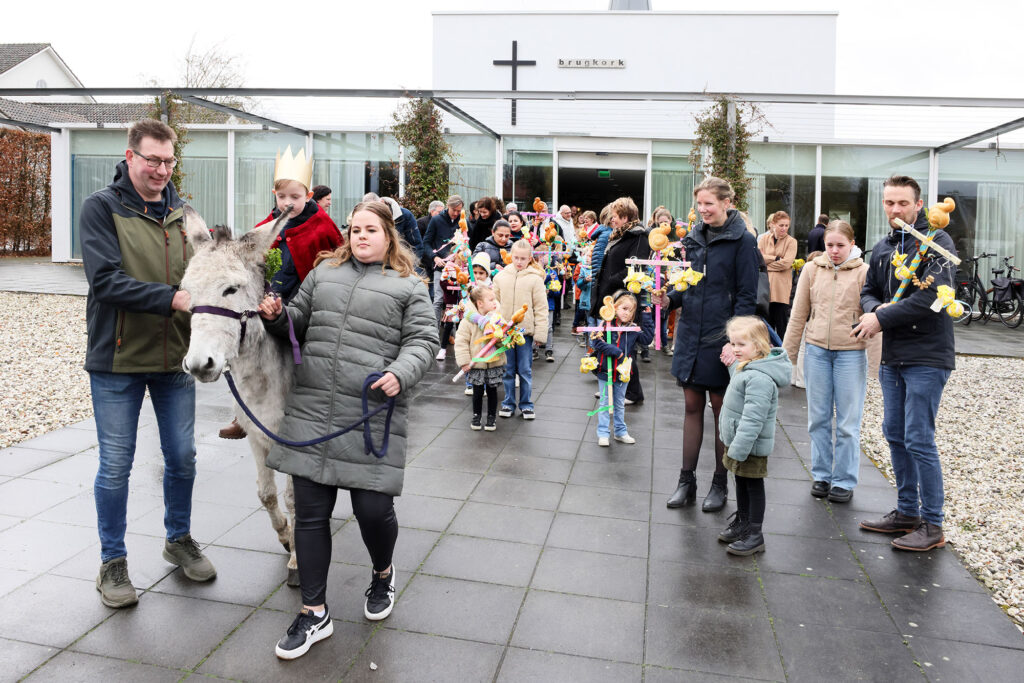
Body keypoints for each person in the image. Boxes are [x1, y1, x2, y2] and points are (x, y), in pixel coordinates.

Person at [258, 200, 436, 660]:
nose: (360, 236)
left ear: (389, 235)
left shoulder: (409, 286)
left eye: (370, 230)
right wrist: (278, 317)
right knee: (311, 516)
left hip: (370, 414)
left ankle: (382, 573)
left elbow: (424, 341)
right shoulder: (323, 274)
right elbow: (297, 321)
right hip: (314, 410)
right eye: (354, 229)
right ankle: (314, 612)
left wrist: (402, 370)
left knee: (373, 512)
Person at [79, 119, 216, 608]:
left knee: (182, 457)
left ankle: (178, 539)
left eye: (168, 161)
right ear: (131, 155)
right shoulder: (101, 208)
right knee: (116, 465)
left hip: (175, 361)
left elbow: (205, 274)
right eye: (152, 160)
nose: (161, 170)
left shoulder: (185, 213)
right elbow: (106, 282)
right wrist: (174, 299)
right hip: (117, 360)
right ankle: (112, 563)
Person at [855, 175, 957, 552]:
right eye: (888, 203)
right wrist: (872, 309)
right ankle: (906, 511)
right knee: (894, 433)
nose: (894, 210)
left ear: (918, 205)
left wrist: (881, 318)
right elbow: (868, 291)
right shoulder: (884, 248)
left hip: (927, 357)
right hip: (893, 356)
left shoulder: (937, 245)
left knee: (918, 438)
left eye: (902, 203)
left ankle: (933, 524)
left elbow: (932, 301)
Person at [219, 147, 342, 441]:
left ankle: (307, 407)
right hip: (269, 302)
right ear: (274, 194)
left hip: (304, 304)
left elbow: (335, 260)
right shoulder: (266, 227)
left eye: (295, 197)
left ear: (308, 195)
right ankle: (243, 414)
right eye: (282, 197)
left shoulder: (321, 226)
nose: (288, 203)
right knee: (245, 351)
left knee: (305, 359)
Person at [656, 177, 759, 512]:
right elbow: (687, 284)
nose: (703, 210)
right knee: (690, 407)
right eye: (699, 204)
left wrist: (737, 341)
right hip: (690, 334)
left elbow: (747, 296)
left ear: (726, 203)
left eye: (709, 204)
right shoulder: (692, 237)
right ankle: (686, 481)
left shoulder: (743, 241)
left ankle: (719, 483)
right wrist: (668, 299)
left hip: (721, 338)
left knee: (721, 413)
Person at [783, 221, 875, 503]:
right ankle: (822, 475)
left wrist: (879, 362)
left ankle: (844, 479)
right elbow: (798, 314)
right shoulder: (811, 269)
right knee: (818, 419)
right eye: (829, 245)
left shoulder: (864, 272)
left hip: (851, 352)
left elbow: (873, 318)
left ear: (852, 243)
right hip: (817, 352)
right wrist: (787, 356)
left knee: (848, 422)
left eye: (840, 245)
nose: (834, 251)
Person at [717, 316, 791, 555]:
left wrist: (739, 447)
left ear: (758, 346)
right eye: (733, 343)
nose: (735, 349)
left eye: (741, 345)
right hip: (740, 442)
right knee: (741, 481)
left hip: (749, 445)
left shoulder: (759, 378)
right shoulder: (747, 366)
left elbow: (753, 419)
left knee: (753, 485)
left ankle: (755, 533)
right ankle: (743, 522)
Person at [589, 197, 651, 405]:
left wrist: (611, 283)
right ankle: (611, 385)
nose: (611, 220)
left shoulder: (639, 236)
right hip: (612, 295)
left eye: (614, 216)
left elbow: (635, 268)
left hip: (624, 297)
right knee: (610, 340)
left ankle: (632, 392)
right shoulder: (620, 235)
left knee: (625, 345)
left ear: (625, 217)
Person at [589, 291, 654, 446]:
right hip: (605, 371)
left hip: (623, 373)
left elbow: (647, 339)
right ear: (615, 307)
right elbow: (596, 343)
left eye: (631, 310)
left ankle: (620, 431)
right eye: (624, 308)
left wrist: (647, 318)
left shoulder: (632, 328)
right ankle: (603, 433)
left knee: (619, 403)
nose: (627, 313)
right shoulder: (605, 325)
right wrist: (616, 352)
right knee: (605, 403)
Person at [494, 238, 548, 419]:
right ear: (510, 256)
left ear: (530, 259)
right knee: (508, 369)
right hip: (505, 331)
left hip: (525, 332)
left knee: (525, 369)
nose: (519, 262)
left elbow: (541, 308)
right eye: (516, 257)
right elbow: (494, 304)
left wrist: (541, 333)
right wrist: (495, 326)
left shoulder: (535, 279)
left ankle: (526, 404)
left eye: (523, 259)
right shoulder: (500, 277)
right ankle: (508, 403)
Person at [455, 285, 506, 431]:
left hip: (493, 362)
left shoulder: (497, 318)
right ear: (480, 303)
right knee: (477, 392)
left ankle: (491, 417)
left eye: (494, 299)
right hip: (476, 364)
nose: (494, 302)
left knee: (492, 391)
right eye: (491, 300)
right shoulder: (469, 320)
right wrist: (464, 361)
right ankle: (476, 415)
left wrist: (501, 337)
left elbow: (504, 339)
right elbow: (461, 341)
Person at [424, 195, 465, 323]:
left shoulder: (463, 222)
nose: (456, 213)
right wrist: (434, 257)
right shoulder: (436, 220)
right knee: (438, 300)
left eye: (459, 211)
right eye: (454, 210)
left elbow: (468, 243)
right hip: (441, 266)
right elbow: (426, 243)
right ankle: (434, 333)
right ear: (448, 206)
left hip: (457, 267)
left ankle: (452, 335)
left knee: (456, 302)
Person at [758, 211, 798, 340]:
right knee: (766, 327)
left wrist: (767, 264)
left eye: (787, 225)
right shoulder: (764, 239)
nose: (784, 228)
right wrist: (775, 258)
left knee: (782, 326)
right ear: (773, 224)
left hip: (781, 290)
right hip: (765, 288)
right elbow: (758, 259)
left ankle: (783, 354)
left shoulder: (791, 242)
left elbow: (786, 264)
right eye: (781, 225)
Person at [363, 192, 423, 263]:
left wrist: (411, 267)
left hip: (402, 262)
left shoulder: (405, 216)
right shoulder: (366, 218)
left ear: (382, 201)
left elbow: (416, 245)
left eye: (377, 209)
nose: (376, 213)